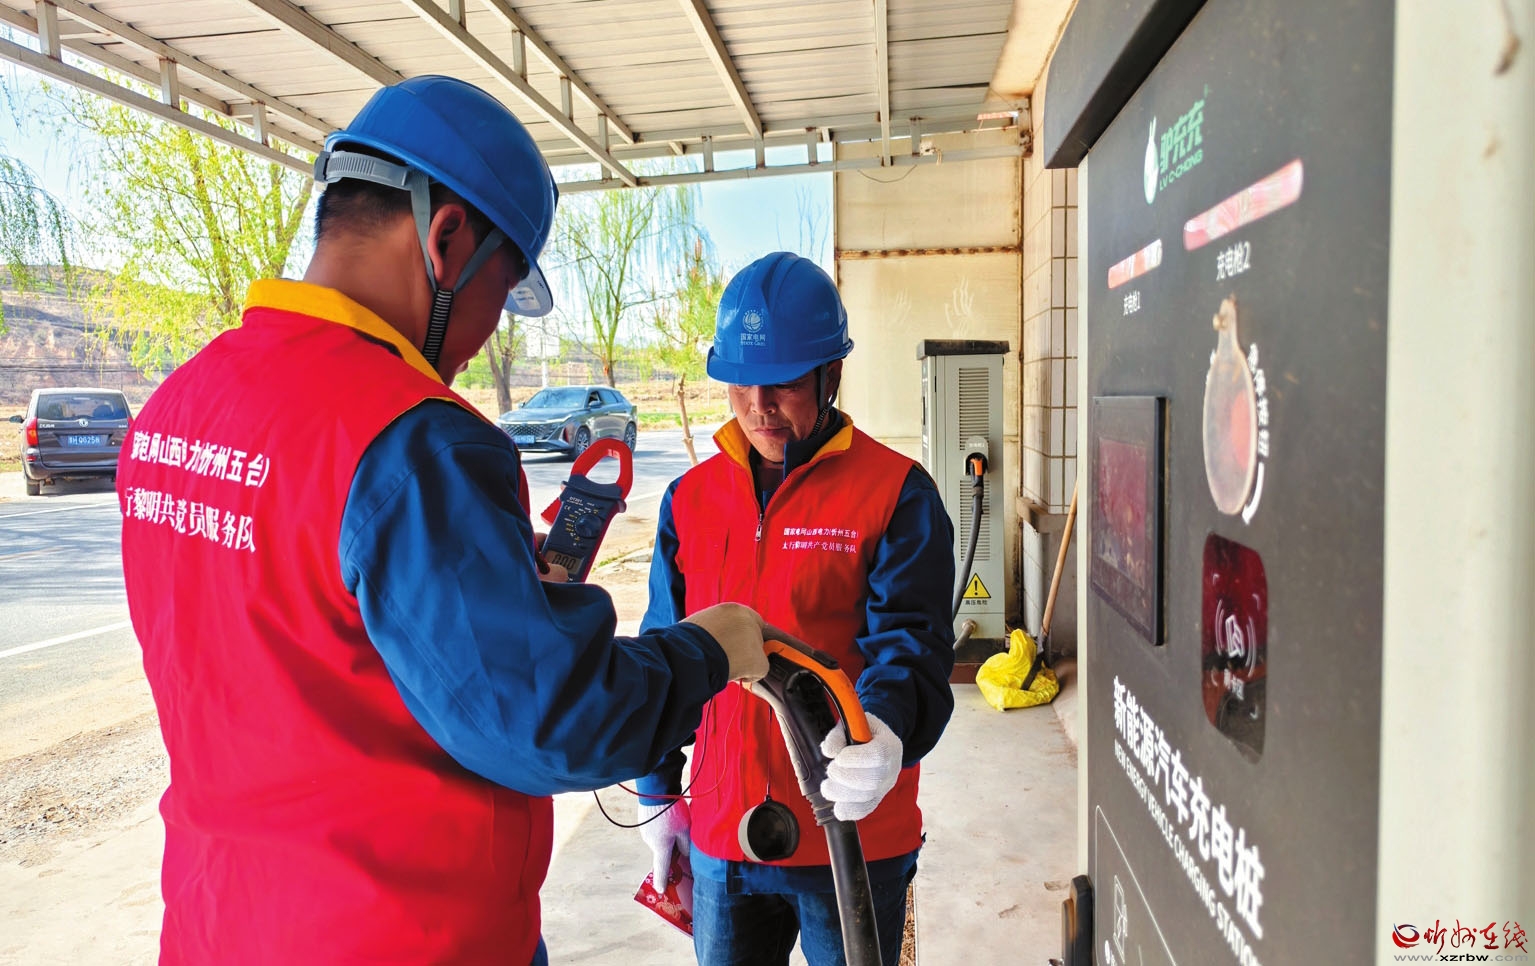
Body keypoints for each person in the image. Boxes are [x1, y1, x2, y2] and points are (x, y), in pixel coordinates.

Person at [117, 75, 770, 966]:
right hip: (405, 933)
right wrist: (706, 651)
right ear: (447, 239)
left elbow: (300, 627)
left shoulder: (175, 409)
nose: (485, 334)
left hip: (219, 925)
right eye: (500, 293)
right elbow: (554, 721)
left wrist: (488, 581)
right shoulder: (414, 438)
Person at [635, 252, 957, 965]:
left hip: (852, 831)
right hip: (724, 834)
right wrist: (657, 789)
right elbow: (663, 652)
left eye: (782, 381)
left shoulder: (894, 492)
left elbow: (912, 645)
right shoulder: (689, 500)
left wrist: (885, 726)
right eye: (740, 381)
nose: (758, 404)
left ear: (829, 375)